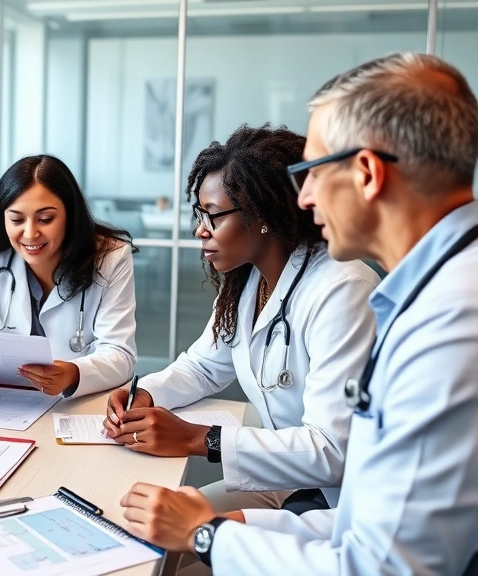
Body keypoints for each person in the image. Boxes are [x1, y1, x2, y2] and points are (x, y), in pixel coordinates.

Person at [120, 53, 478, 575]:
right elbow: (366, 525)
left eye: (310, 173)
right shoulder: (429, 293)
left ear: (367, 173)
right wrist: (209, 531)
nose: (304, 198)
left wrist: (208, 535)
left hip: (320, 501)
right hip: (323, 510)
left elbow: (384, 564)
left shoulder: (446, 323)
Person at [104, 125, 379, 520]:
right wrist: (145, 393)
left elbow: (331, 451)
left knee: (185, 543)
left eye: (213, 216)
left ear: (262, 215)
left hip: (341, 499)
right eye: (200, 214)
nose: (201, 229)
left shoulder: (342, 289)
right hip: (285, 476)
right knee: (147, 528)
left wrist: (200, 439)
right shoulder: (247, 281)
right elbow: (203, 365)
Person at [0, 154, 137, 397]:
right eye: (17, 219)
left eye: (45, 219)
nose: (30, 233)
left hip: (75, 405)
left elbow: (121, 354)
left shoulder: (110, 258)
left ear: (70, 215)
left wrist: (74, 373)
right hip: (7, 400)